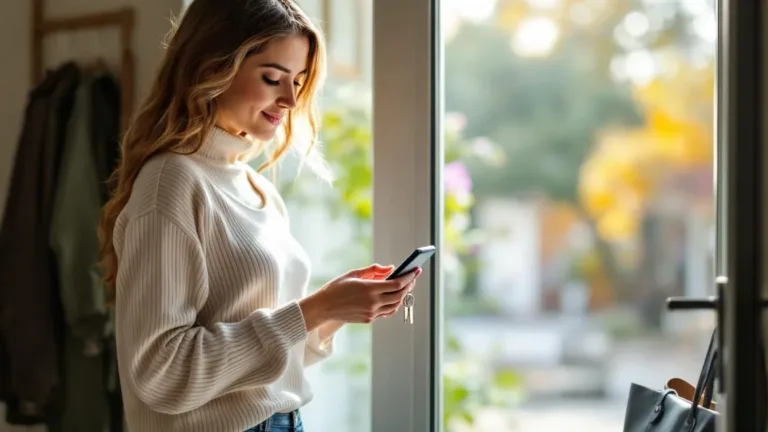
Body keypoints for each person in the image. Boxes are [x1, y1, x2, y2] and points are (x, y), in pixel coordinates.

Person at [96, 0, 422, 431]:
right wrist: (312, 309)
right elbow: (161, 373)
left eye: (298, 81)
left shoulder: (257, 188)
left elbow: (265, 364)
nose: (290, 99)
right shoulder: (171, 183)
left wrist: (334, 309)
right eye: (272, 78)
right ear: (212, 67)